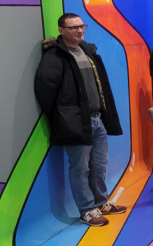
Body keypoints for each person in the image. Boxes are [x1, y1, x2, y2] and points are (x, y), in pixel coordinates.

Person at [35, 12, 127, 226]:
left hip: (97, 120)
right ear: (61, 30)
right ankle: (87, 210)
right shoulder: (55, 57)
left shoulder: (88, 51)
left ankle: (101, 203)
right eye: (73, 27)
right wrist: (63, 117)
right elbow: (45, 92)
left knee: (99, 165)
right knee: (80, 169)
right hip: (76, 123)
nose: (79, 30)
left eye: (81, 26)